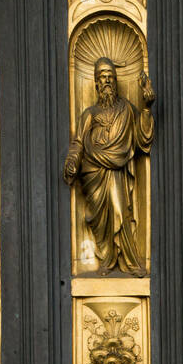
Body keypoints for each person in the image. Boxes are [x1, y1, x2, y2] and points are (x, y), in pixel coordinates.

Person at [65, 57, 156, 275]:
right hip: (93, 172)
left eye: (110, 77)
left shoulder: (126, 109)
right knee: (100, 219)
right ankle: (106, 258)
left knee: (120, 211)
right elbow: (78, 142)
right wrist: (71, 161)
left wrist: (146, 107)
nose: (107, 81)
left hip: (117, 171)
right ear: (96, 83)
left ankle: (131, 262)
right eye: (102, 78)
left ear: (115, 81)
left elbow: (143, 138)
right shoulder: (89, 114)